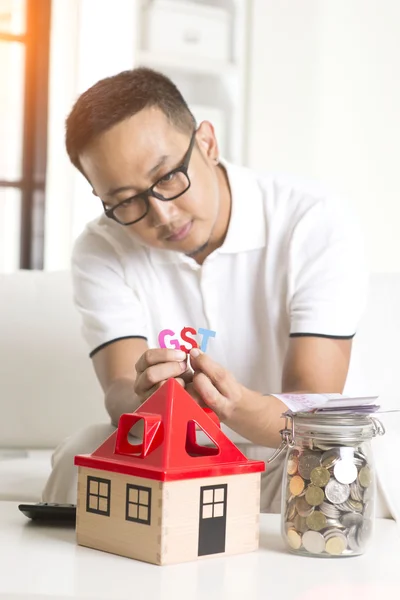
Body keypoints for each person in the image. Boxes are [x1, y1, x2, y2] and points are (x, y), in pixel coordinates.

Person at [41, 67, 368, 512]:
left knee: (348, 466)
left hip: (288, 452)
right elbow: (118, 387)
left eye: (168, 176)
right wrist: (144, 398)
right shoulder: (101, 248)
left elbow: (312, 409)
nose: (161, 213)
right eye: (126, 200)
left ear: (208, 144)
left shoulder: (312, 220)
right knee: (80, 452)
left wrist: (231, 405)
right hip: (171, 453)